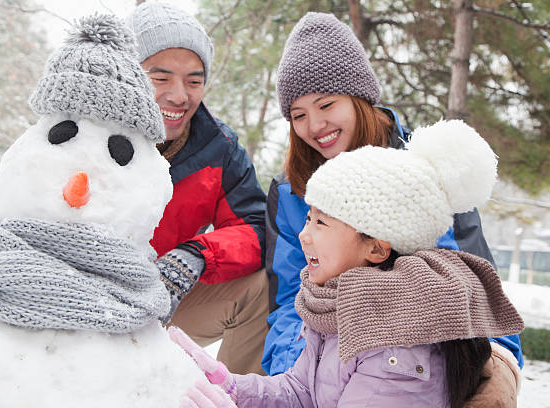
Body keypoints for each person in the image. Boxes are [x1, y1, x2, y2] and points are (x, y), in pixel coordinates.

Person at [170, 119, 524, 408]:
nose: (304, 236)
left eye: (321, 223)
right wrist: (228, 385)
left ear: (376, 248)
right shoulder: (334, 307)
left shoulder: (396, 343)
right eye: (308, 219)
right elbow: (299, 393)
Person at [262, 12, 524, 401]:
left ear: (359, 98)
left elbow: (475, 285)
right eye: (298, 115)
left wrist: (498, 368)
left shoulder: (426, 173)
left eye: (326, 104)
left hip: (424, 365)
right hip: (328, 363)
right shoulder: (291, 193)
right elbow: (287, 303)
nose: (314, 125)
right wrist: (304, 378)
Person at [125, 2, 268, 375]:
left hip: (163, 303)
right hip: (75, 305)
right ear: (127, 73)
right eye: (161, 78)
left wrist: (198, 254)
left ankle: (235, 397)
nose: (179, 96)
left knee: (260, 287)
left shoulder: (218, 149)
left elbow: (256, 226)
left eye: (194, 80)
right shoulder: (83, 132)